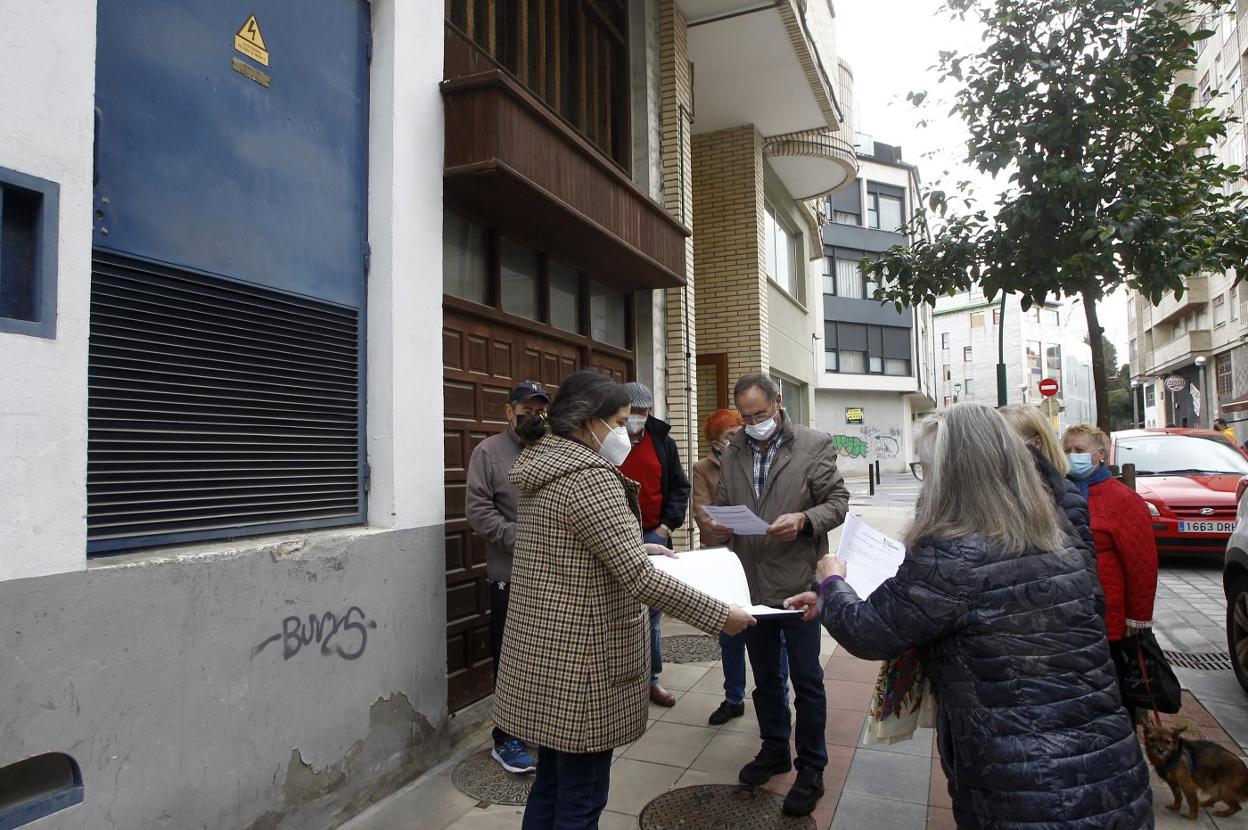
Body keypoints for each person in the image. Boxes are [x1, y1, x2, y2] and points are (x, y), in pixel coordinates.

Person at [786, 404, 1153, 829]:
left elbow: (870, 633)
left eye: (927, 468)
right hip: (1111, 770)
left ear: (952, 474)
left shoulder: (953, 554)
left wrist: (832, 582)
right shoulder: (1059, 537)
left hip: (1025, 785)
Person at [495, 370, 755, 830]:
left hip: (547, 652)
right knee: (583, 795)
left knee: (552, 784)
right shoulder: (589, 478)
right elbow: (639, 579)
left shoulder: (544, 465)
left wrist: (637, 544)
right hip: (585, 663)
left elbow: (574, 547)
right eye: (618, 421)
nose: (626, 432)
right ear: (587, 422)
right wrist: (720, 616)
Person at [705, 373, 849, 816]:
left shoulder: (813, 444)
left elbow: (838, 501)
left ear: (778, 403)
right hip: (751, 585)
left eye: (760, 415)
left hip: (799, 585)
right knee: (766, 680)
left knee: (807, 682)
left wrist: (805, 519)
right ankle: (774, 749)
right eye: (746, 417)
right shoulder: (734, 450)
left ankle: (812, 768)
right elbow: (725, 502)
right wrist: (718, 525)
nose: (753, 423)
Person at [465, 380, 549, 774]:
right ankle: (506, 738)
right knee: (511, 657)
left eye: (538, 409)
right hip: (509, 574)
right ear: (508, 411)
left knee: (545, 656)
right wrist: (518, 538)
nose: (532, 415)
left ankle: (538, 725)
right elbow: (478, 511)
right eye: (525, 408)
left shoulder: (550, 449)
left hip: (551, 575)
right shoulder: (488, 452)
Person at [692, 408, 789, 725]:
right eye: (728, 436)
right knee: (730, 635)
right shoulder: (703, 468)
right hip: (727, 560)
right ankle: (733, 697)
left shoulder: (757, 458)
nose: (736, 439)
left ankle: (779, 696)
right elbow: (703, 513)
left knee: (774, 633)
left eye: (738, 432)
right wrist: (717, 525)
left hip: (765, 557)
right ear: (715, 442)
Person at [1063, 423, 1159, 724]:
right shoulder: (1057, 493)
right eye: (1067, 451)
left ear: (1100, 455)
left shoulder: (1122, 499)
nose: (1072, 456)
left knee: (1112, 694)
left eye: (1079, 450)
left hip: (1110, 619)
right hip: (1069, 616)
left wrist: (1138, 619)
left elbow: (1141, 564)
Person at [618, 381, 690, 707]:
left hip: (653, 535)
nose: (637, 418)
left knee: (653, 614)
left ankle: (651, 679)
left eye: (642, 413)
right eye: (631, 413)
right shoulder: (607, 441)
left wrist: (665, 527)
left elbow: (679, 486)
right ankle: (619, 681)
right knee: (617, 610)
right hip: (615, 536)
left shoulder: (663, 442)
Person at [999, 405, 1095, 562]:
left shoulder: (1066, 496)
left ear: (1036, 444)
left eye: (1006, 443)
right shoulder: (1001, 491)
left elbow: (1083, 560)